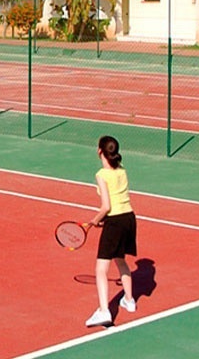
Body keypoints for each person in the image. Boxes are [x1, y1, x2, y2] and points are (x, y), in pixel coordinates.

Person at [85, 135, 137, 327]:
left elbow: (106, 206)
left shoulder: (101, 174)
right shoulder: (122, 171)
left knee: (101, 269)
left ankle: (104, 311)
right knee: (121, 260)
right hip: (129, 219)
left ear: (100, 151)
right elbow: (117, 201)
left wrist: (94, 221)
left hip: (114, 221)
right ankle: (129, 301)